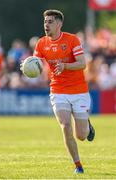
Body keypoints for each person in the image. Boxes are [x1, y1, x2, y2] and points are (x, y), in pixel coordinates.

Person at [21, 9, 95, 174]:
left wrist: (66, 66)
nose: (46, 25)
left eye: (50, 22)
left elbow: (82, 63)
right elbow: (37, 63)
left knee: (81, 135)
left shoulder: (72, 40)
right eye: (45, 22)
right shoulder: (41, 43)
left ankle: (87, 126)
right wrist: (28, 67)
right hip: (57, 90)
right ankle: (78, 166)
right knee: (65, 125)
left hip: (79, 90)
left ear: (59, 24)